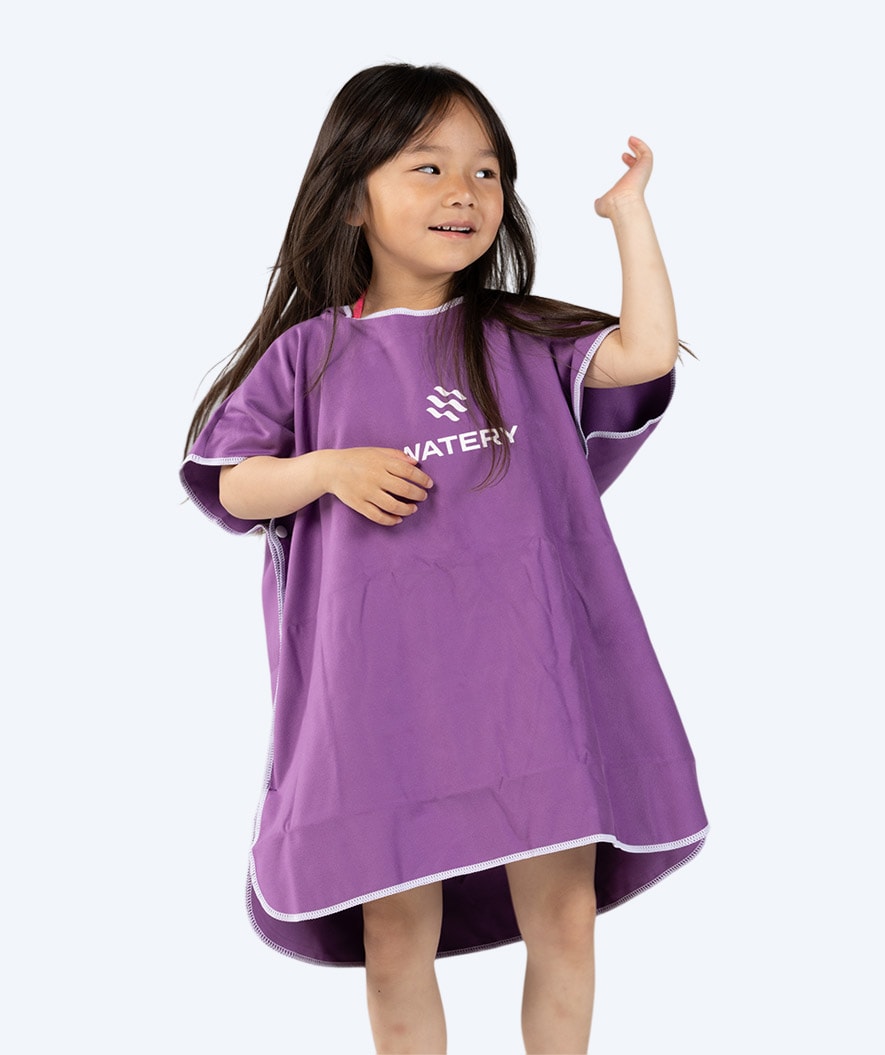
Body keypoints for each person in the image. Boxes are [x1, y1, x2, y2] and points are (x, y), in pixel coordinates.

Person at [181, 63, 707, 1055]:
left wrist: (629, 216)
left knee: (564, 916)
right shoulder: (309, 356)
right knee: (393, 936)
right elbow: (231, 482)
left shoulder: (521, 337)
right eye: (427, 167)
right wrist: (325, 469)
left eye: (486, 171)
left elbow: (643, 354)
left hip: (534, 693)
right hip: (383, 702)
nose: (463, 191)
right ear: (352, 200)